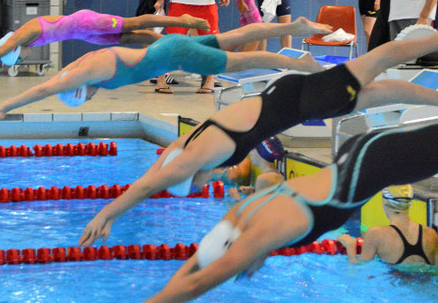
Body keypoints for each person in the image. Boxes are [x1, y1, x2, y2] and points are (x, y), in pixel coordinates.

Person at [78, 31, 438, 247]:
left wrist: (106, 215)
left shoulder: (195, 158)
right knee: (384, 92)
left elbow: (149, 185)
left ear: (188, 175)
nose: (204, 183)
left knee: (381, 60)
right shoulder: (183, 146)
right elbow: (153, 174)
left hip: (305, 102)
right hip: (290, 97)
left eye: (195, 184)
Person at [145, 121, 438, 302]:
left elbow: (199, 279)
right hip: (356, 165)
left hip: (355, 172)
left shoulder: (260, 218)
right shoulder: (253, 212)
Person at [0, 18, 332, 127]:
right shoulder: (87, 67)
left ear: (79, 90)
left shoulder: (86, 72)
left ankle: (298, 64)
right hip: (168, 49)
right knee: (233, 37)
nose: (89, 97)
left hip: (175, 55)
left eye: (83, 98)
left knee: (241, 62)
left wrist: (3, 107)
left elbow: (44, 89)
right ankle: (294, 27)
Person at [0, 11, 210, 87]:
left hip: (87, 22)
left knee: (135, 23)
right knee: (133, 38)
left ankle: (183, 21)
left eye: (16, 60)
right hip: (86, 34)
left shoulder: (24, 35)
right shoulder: (19, 42)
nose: (21, 61)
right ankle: (182, 44)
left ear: (15, 51)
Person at [338, 184, 437, 265]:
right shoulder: (431, 234)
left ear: (384, 202)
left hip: (396, 282)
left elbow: (359, 270)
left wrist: (350, 246)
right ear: (409, 203)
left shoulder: (376, 233)